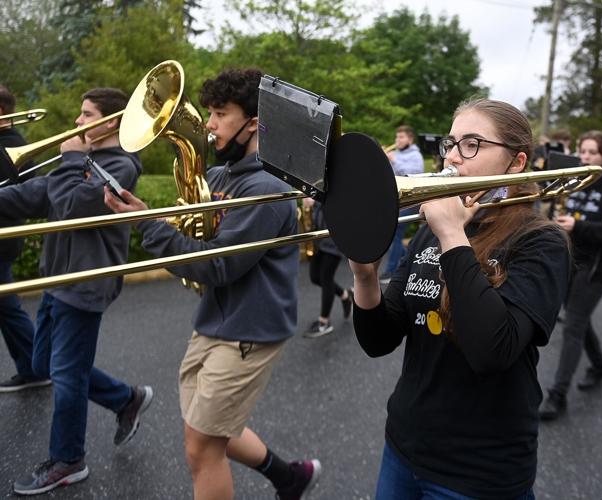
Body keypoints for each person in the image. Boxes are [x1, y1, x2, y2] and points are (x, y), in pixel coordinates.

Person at [105, 67, 320, 500]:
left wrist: (148, 226)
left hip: (248, 332)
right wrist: (150, 214)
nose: (210, 123)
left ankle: (290, 477)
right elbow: (195, 234)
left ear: (254, 124)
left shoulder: (268, 189)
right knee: (208, 430)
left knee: (201, 448)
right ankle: (289, 477)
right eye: (210, 112)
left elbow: (218, 264)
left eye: (221, 114)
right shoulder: (221, 178)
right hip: (216, 321)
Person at [350, 98, 571, 499]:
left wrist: (453, 236)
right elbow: (379, 340)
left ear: (515, 162)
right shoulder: (432, 227)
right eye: (450, 143)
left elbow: (493, 350)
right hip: (404, 445)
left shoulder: (541, 241)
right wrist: (365, 276)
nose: (452, 156)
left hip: (479, 470)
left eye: (471, 144)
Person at [0, 88, 152, 495]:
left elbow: (70, 206)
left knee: (66, 375)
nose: (78, 122)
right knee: (46, 362)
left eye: (86, 115)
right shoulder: (84, 161)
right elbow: (39, 194)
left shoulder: (120, 166)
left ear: (112, 121)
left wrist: (69, 159)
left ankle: (69, 460)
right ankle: (125, 399)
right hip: (58, 280)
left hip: (85, 284)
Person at [539, 131, 602, 421]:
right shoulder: (574, 179)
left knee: (573, 324)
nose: (586, 157)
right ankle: (600, 366)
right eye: (583, 151)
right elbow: (556, 209)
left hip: (597, 265)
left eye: (593, 152)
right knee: (579, 319)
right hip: (570, 260)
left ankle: (558, 395)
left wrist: (576, 226)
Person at [0, 86, 51, 392]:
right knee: (7, 307)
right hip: (6, 239)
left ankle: (36, 368)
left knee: (8, 307)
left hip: (3, 239)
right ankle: (34, 367)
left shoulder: (10, 147)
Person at [302, 196, 353, 338]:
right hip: (319, 236)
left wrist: (315, 200)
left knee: (326, 278)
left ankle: (324, 323)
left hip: (334, 235)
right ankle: (345, 295)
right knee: (315, 277)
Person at [380, 125, 425, 284]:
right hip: (394, 199)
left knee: (395, 234)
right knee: (394, 235)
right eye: (396, 137)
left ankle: (391, 271)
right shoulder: (397, 154)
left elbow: (413, 175)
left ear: (410, 139)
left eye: (401, 137)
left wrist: (394, 161)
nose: (397, 140)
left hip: (409, 200)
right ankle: (411, 258)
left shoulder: (416, 155)